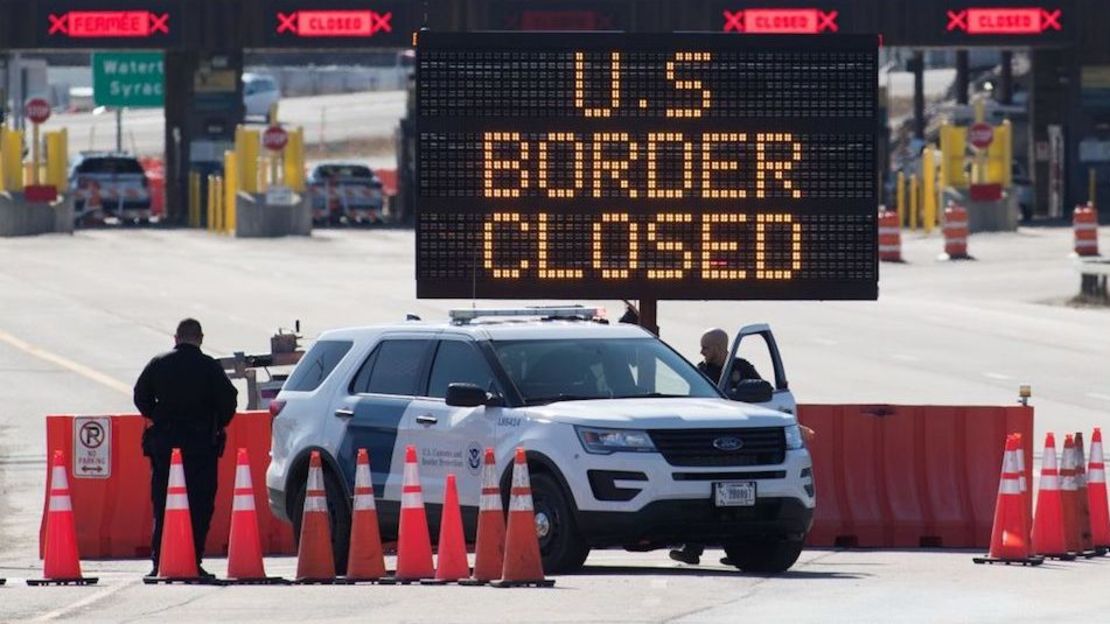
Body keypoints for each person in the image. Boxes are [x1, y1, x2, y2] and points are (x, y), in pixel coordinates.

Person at [134, 318, 237, 578]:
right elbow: (229, 401)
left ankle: (160, 563)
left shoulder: (159, 363)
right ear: (200, 338)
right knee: (199, 504)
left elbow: (140, 395)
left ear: (176, 338)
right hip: (200, 446)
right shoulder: (209, 367)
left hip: (165, 445)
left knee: (162, 502)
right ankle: (193, 560)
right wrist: (214, 421)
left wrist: (157, 414)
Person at [670, 328, 762, 566]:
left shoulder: (741, 369)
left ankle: (737, 553)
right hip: (710, 445)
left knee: (737, 505)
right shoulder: (701, 372)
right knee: (703, 501)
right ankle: (692, 549)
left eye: (706, 347)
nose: (701, 351)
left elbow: (762, 393)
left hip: (740, 447)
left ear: (721, 349)